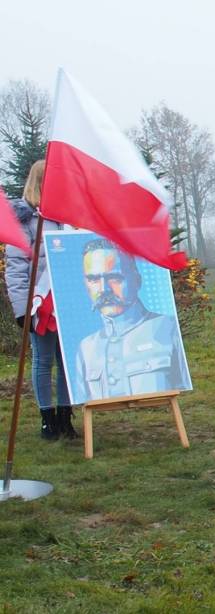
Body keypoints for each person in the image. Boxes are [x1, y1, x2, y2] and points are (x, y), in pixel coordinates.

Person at [4, 160, 77, 439]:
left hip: (68, 301)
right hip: (40, 302)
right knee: (43, 360)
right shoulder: (23, 220)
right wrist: (23, 310)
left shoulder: (68, 217)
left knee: (67, 361)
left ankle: (64, 416)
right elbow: (17, 268)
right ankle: (47, 419)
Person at [73, 239, 191, 402]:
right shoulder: (86, 348)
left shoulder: (168, 329)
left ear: (137, 280)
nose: (104, 289)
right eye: (93, 279)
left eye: (114, 278)